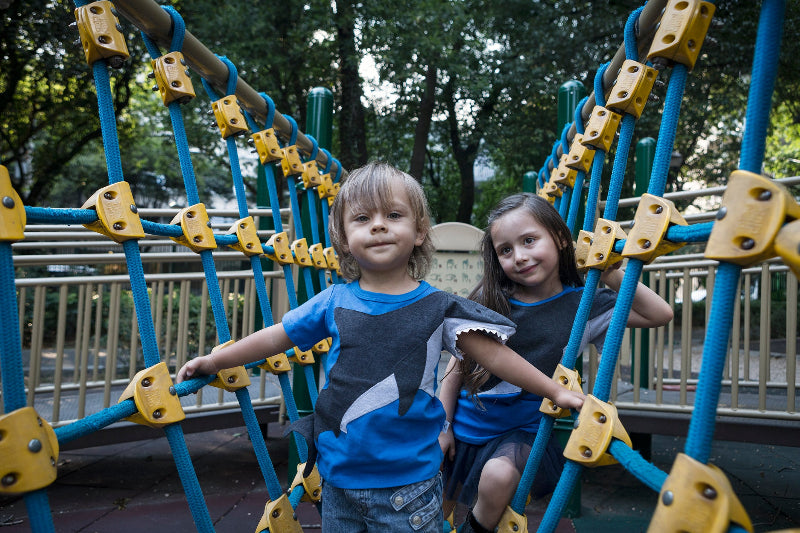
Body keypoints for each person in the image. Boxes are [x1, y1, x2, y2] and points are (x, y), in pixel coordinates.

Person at [176, 163, 585, 533]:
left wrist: (554, 390)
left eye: (393, 215)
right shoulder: (333, 302)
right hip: (338, 479)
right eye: (362, 218)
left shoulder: (439, 307)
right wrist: (215, 359)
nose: (378, 226)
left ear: (420, 230)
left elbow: (496, 356)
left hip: (410, 483)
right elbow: (275, 337)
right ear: (343, 236)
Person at [439, 192, 674, 533]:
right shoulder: (489, 300)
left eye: (530, 241)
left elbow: (659, 314)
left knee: (498, 477)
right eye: (506, 250)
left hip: (520, 432)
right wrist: (443, 427)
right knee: (431, 502)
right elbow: (456, 369)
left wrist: (610, 274)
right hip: (465, 425)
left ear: (561, 238)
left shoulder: (584, 305)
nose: (520, 256)